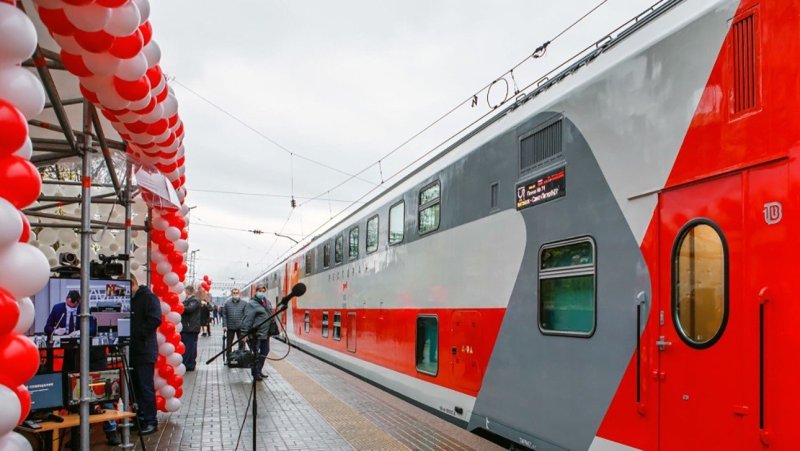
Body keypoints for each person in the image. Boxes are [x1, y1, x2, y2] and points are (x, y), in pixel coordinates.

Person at [129, 274, 161, 436]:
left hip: (144, 349)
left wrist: (138, 334)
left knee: (145, 386)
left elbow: (155, 319)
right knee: (135, 388)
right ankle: (140, 418)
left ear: (133, 283)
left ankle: (150, 420)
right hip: (133, 350)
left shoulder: (148, 298)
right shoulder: (132, 299)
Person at [240, 285, 274, 381]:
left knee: (265, 351)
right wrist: (244, 333)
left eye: (263, 291)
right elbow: (248, 319)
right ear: (256, 292)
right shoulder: (252, 304)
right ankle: (255, 373)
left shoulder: (267, 302)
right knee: (255, 354)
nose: (261, 292)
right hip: (256, 334)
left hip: (266, 333)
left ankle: (259, 369)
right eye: (259, 290)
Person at [221, 288, 247, 362]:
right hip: (230, 327)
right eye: (234, 293)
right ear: (232, 294)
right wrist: (224, 325)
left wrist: (245, 327)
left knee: (241, 343)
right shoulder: (227, 303)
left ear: (239, 294)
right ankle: (229, 358)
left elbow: (246, 315)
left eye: (237, 293)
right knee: (229, 343)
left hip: (240, 327)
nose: (235, 294)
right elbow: (224, 315)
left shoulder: (244, 304)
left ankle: (241, 358)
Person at [181, 286, 201, 371]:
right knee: (190, 346)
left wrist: (179, 306)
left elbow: (189, 309)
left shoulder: (194, 300)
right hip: (189, 327)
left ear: (188, 291)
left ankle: (188, 364)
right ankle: (190, 363)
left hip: (190, 328)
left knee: (189, 347)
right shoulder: (190, 300)